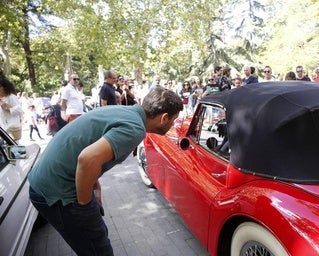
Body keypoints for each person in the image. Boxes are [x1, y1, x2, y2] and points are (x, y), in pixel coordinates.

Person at [28, 88, 183, 256]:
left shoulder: (123, 111)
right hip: (58, 192)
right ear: (164, 118)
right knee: (98, 250)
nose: (172, 125)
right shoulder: (135, 128)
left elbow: (87, 144)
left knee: (96, 238)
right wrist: (84, 205)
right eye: (173, 120)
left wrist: (94, 184)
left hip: (46, 181)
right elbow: (87, 159)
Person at [0, 76, 23, 142]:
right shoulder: (1, 99)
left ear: (4, 87)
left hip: (12, 129)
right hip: (4, 129)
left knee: (13, 147)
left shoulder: (11, 97)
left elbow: (19, 110)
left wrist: (7, 109)